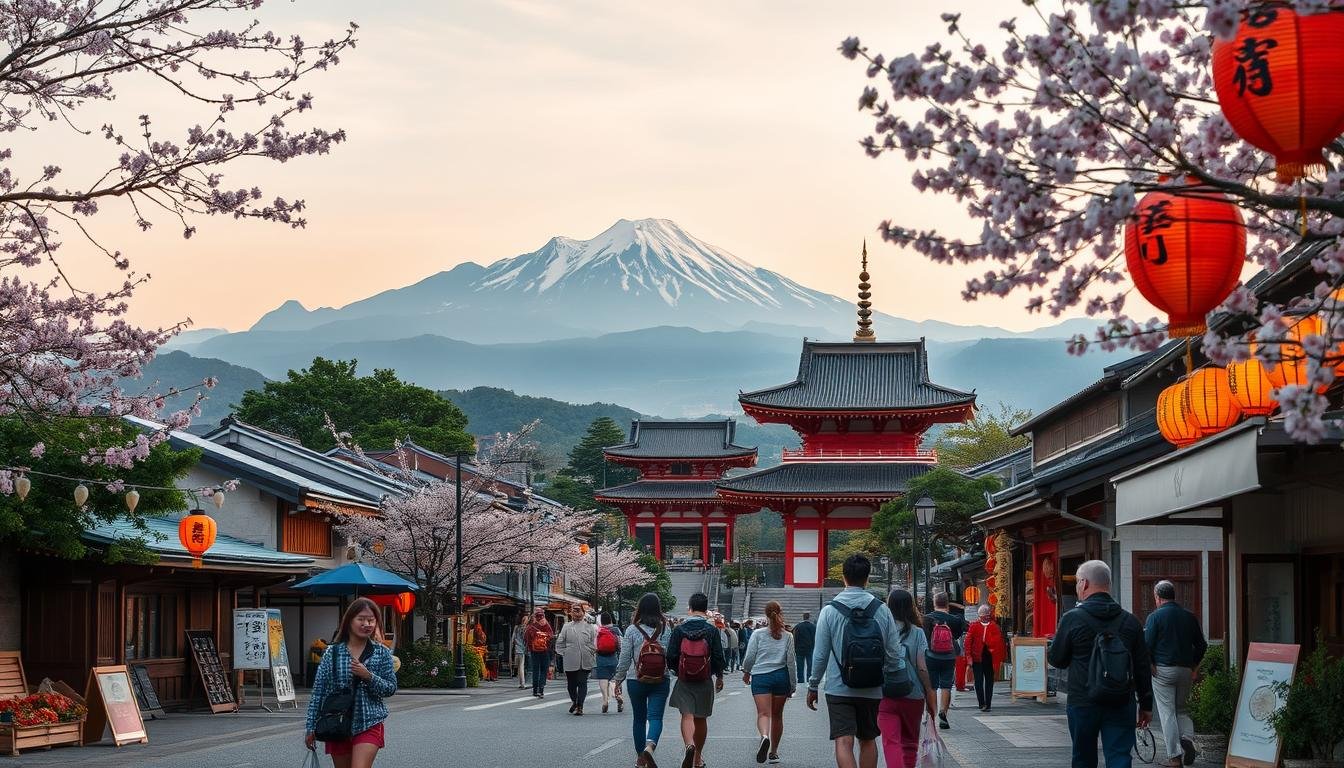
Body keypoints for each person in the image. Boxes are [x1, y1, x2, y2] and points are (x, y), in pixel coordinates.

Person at [1048, 560, 1153, 768]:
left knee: (1083, 758)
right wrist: (1146, 705)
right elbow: (1142, 666)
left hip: (1082, 700)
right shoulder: (1130, 621)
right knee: (1120, 757)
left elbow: (1057, 659)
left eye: (1078, 582)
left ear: (1084, 583)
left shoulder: (1072, 619)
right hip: (1122, 700)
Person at [807, 554, 906, 768]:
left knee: (844, 741)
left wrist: (813, 685)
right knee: (868, 740)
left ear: (844, 577)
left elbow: (821, 654)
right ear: (867, 578)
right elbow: (893, 652)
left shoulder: (829, 612)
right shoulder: (881, 610)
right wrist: (892, 677)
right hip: (872, 686)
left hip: (838, 686)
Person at [304, 597, 398, 768]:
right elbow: (319, 692)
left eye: (371, 620)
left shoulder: (381, 652)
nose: (366, 624)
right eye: (361, 619)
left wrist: (368, 676)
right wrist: (310, 727)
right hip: (336, 723)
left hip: (370, 721)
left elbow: (390, 688)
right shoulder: (332, 653)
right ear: (349, 621)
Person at [1143, 580, 1207, 767]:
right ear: (1173, 595)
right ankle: (1187, 737)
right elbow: (1202, 645)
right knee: (1182, 709)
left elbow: (1146, 646)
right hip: (1185, 670)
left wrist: (1151, 665)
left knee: (1167, 713)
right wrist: (1194, 666)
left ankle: (1174, 757)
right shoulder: (1189, 617)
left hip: (1163, 670)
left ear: (1157, 596)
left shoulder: (1155, 617)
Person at [615, 592, 674, 768]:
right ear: (659, 609)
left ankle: (641, 758)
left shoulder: (632, 630)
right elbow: (670, 655)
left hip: (636, 679)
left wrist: (618, 679)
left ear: (640, 608)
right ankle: (650, 746)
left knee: (639, 719)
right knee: (655, 717)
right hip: (661, 679)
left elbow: (625, 657)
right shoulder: (666, 628)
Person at [667, 592, 726, 768]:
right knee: (701, 718)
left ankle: (688, 746)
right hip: (704, 678)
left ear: (690, 608)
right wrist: (719, 676)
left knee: (687, 715)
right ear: (706, 609)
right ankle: (698, 757)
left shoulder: (679, 629)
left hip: (685, 679)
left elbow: (671, 655)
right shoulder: (712, 630)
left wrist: (679, 670)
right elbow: (718, 655)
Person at [879, 590, 937, 768]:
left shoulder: (880, 630)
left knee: (891, 743)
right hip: (913, 694)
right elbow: (922, 667)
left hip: (885, 693)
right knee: (910, 743)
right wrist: (929, 692)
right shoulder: (917, 632)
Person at [742, 600, 796, 765]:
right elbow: (791, 662)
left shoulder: (758, 634)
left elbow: (750, 656)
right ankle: (773, 752)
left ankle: (764, 736)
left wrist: (746, 671)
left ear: (766, 615)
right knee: (778, 716)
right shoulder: (788, 636)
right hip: (781, 676)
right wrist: (792, 684)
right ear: (780, 613)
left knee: (763, 714)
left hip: (761, 677)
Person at [921, 592, 965, 729]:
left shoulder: (926, 619)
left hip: (931, 656)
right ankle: (943, 713)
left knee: (932, 686)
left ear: (934, 603)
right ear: (947, 604)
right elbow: (958, 634)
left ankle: (931, 715)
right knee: (947, 685)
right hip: (949, 656)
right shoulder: (955, 620)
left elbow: (923, 638)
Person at [556, 603, 597, 715]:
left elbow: (593, 641)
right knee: (571, 684)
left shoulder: (589, 626)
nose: (576, 613)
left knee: (582, 682)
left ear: (583, 612)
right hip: (570, 658)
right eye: (574, 611)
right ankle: (574, 701)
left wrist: (591, 650)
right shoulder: (567, 626)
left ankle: (580, 706)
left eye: (579, 610)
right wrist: (563, 652)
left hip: (585, 658)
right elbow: (560, 641)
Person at [595, 610, 624, 714]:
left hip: (601, 657)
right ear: (611, 620)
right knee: (613, 679)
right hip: (613, 657)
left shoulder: (599, 630)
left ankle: (605, 700)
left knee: (603, 678)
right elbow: (621, 644)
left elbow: (595, 645)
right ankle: (618, 695)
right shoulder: (616, 629)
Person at [523, 608, 553, 698]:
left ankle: (535, 690)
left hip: (534, 651)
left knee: (535, 670)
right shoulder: (546, 625)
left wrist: (530, 647)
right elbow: (551, 636)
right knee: (544, 670)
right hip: (545, 651)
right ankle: (541, 690)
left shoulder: (531, 625)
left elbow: (526, 637)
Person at [793, 611, 816, 685]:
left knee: (800, 666)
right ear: (809, 617)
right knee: (810, 665)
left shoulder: (798, 626)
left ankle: (800, 680)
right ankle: (809, 679)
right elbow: (815, 638)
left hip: (799, 650)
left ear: (803, 617)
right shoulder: (813, 627)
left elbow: (795, 638)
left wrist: (795, 648)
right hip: (810, 649)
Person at [510, 615, 529, 689]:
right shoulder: (526, 629)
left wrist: (511, 647)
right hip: (522, 650)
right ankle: (522, 683)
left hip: (517, 649)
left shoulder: (516, 627)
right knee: (521, 667)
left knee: (518, 666)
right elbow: (527, 640)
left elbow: (513, 638)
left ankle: (521, 682)